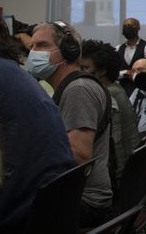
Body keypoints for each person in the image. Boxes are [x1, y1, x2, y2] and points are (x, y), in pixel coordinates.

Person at [28, 21, 112, 228]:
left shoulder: (78, 90)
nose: (33, 53)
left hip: (87, 202)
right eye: (31, 46)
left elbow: (79, 156)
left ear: (69, 51)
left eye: (41, 45)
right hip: (79, 196)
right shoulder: (71, 87)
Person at [0, 16, 74, 233]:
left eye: (42, 45)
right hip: (47, 211)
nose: (34, 52)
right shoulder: (18, 74)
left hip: (18, 216)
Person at [79, 39, 140, 188]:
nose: (80, 72)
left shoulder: (107, 95)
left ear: (102, 70)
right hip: (128, 176)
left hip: (118, 181)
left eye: (85, 67)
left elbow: (116, 144)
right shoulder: (116, 90)